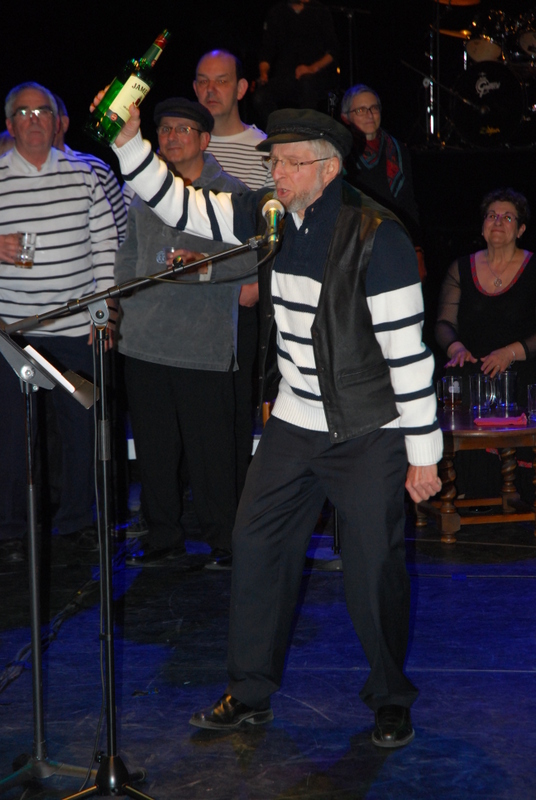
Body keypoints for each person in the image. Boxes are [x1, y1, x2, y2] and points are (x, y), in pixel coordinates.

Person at [103, 97, 442, 747]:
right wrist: (128, 142)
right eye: (273, 163)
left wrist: (424, 451)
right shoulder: (270, 215)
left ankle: (390, 697)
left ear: (328, 169)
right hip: (295, 421)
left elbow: (408, 352)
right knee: (256, 546)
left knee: (372, 569)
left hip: (368, 429)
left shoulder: (379, 237)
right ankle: (250, 692)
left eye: (290, 164)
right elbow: (181, 206)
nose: (277, 174)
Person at [115, 97, 253, 569]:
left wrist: (206, 267)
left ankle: (225, 541)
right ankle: (163, 537)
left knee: (211, 452)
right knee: (154, 450)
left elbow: (256, 259)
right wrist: (117, 308)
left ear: (205, 139)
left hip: (202, 345)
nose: (171, 137)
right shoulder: (144, 192)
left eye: (182, 129)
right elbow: (127, 256)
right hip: (143, 341)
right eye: (164, 129)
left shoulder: (232, 193)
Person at [0, 82, 118, 566]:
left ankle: (76, 522)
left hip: (75, 332)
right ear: (9, 124)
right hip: (12, 334)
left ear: (57, 121)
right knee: (12, 436)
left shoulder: (86, 173)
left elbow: (106, 245)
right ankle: (10, 529)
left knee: (81, 430)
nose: (34, 120)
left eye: (42, 111)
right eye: (24, 112)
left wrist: (104, 311)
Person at [194, 49, 271, 494]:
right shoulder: (182, 139)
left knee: (237, 408)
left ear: (241, 88)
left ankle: (238, 503)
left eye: (221, 80)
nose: (211, 90)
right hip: (188, 300)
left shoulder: (264, 149)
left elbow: (280, 225)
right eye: (203, 81)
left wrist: (257, 283)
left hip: (240, 300)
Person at [435, 188, 535, 496]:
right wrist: (456, 348)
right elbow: (443, 324)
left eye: (507, 217)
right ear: (482, 227)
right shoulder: (461, 268)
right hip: (475, 378)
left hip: (524, 375)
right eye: (492, 216)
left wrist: (511, 353)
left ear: (521, 229)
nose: (498, 222)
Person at [340, 84, 425, 280]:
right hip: (355, 247)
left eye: (374, 108)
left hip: (393, 241)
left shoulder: (397, 150)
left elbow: (408, 203)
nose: (370, 115)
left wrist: (417, 250)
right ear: (346, 117)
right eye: (361, 110)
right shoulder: (341, 152)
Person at [252, 0, 338, 131]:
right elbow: (267, 51)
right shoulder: (276, 12)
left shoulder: (319, 10)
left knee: (307, 84)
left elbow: (333, 52)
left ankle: (306, 132)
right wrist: (263, 74)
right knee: (260, 97)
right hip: (286, 77)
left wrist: (311, 68)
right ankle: (280, 130)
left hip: (315, 77)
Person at [53, 94, 127, 244]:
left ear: (63, 123)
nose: (34, 122)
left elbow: (122, 237)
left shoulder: (97, 170)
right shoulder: (9, 172)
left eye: (45, 114)